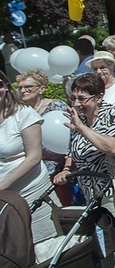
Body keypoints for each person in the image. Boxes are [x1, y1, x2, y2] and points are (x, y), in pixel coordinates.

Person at [53, 74, 115, 268]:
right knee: (109, 253)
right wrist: (66, 169)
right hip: (93, 196)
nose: (76, 103)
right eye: (73, 98)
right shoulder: (78, 120)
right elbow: (73, 153)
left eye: (82, 98)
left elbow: (114, 147)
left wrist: (82, 128)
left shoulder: (112, 113)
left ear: (99, 97)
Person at [0, 71, 60, 243]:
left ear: (5, 87)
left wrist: (2, 185)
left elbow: (34, 157)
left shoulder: (23, 114)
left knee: (45, 246)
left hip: (32, 194)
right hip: (4, 201)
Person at [17, 70, 72, 205]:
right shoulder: (19, 113)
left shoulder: (56, 107)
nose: (23, 90)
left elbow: (72, 138)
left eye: (28, 87)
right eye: (20, 88)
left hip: (58, 172)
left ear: (42, 89)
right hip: (33, 174)